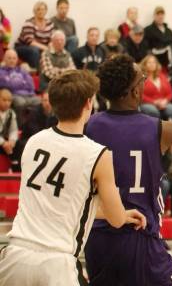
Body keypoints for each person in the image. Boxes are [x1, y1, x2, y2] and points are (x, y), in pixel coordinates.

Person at [84, 54, 172, 285]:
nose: (145, 82)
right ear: (135, 91)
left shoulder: (88, 127)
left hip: (97, 239)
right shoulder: (159, 129)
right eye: (142, 78)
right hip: (140, 237)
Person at [0, 70, 146, 285]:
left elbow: (59, 202)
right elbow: (116, 220)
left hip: (14, 256)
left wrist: (108, 214)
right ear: (88, 104)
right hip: (55, 264)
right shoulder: (98, 154)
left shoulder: (34, 141)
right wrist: (122, 215)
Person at [0, 49, 41, 121]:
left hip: (29, 95)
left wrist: (14, 82)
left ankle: (35, 125)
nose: (12, 60)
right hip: (14, 95)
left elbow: (31, 85)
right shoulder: (1, 72)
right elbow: (9, 85)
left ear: (17, 60)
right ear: (4, 59)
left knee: (40, 101)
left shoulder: (22, 70)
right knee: (20, 103)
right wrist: (22, 82)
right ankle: (20, 126)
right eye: (9, 58)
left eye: (14, 58)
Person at [15, 1, 54, 70]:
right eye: (38, 9)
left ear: (46, 11)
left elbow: (51, 38)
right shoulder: (29, 22)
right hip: (23, 47)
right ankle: (37, 73)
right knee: (35, 50)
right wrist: (46, 48)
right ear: (34, 11)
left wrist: (50, 46)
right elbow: (30, 42)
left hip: (41, 47)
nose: (41, 11)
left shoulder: (49, 23)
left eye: (43, 9)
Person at [139, 54, 172, 121]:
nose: (152, 64)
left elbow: (170, 92)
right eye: (149, 62)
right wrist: (154, 102)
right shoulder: (141, 78)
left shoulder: (162, 76)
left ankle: (169, 127)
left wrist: (165, 101)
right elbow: (140, 95)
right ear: (144, 64)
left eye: (154, 62)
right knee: (153, 111)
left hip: (163, 103)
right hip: (147, 103)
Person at [0, 88, 19, 170]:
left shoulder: (11, 113)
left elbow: (14, 130)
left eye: (9, 101)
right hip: (1, 141)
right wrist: (3, 143)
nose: (7, 103)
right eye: (4, 100)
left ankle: (15, 168)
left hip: (6, 141)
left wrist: (12, 141)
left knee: (19, 144)